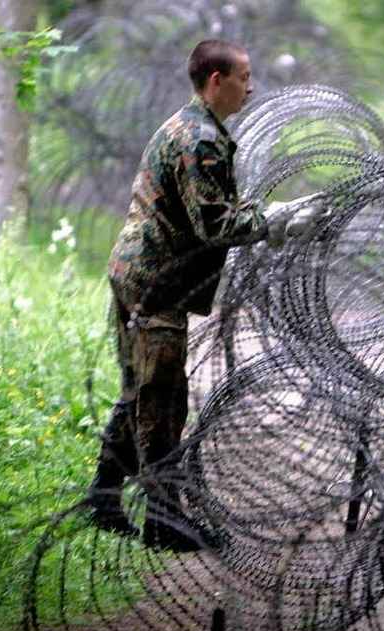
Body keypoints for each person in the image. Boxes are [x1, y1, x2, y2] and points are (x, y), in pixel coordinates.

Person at [85, 39, 279, 551]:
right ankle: (164, 519)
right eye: (244, 76)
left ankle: (103, 495)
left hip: (139, 271)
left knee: (141, 388)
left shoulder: (190, 125)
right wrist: (273, 220)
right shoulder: (200, 139)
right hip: (156, 281)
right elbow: (214, 225)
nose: (251, 87)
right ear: (216, 81)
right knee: (163, 397)